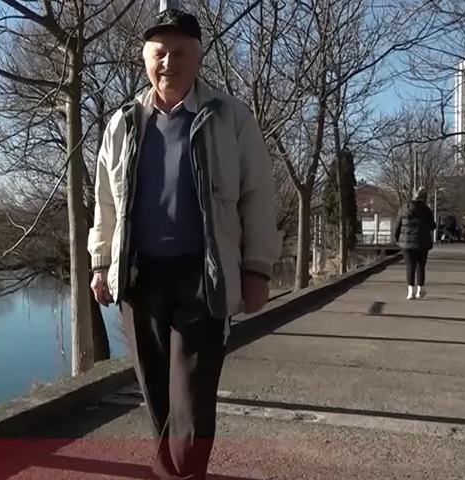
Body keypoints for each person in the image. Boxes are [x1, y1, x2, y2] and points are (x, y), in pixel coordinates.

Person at [86, 7, 281, 480]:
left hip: (204, 276)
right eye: (159, 54)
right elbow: (106, 202)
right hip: (140, 277)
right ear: (145, 60)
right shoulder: (124, 122)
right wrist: (101, 262)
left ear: (198, 57)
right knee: (158, 399)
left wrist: (257, 268)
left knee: (191, 401)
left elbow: (258, 194)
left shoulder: (229, 117)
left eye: (179, 53)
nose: (168, 63)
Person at [393, 187, 436, 300]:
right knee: (420, 266)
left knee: (409, 266)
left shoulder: (404, 209)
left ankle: (410, 292)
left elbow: (397, 225)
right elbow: (433, 226)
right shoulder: (426, 210)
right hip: (422, 242)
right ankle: (420, 290)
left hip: (406, 243)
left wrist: (397, 238)